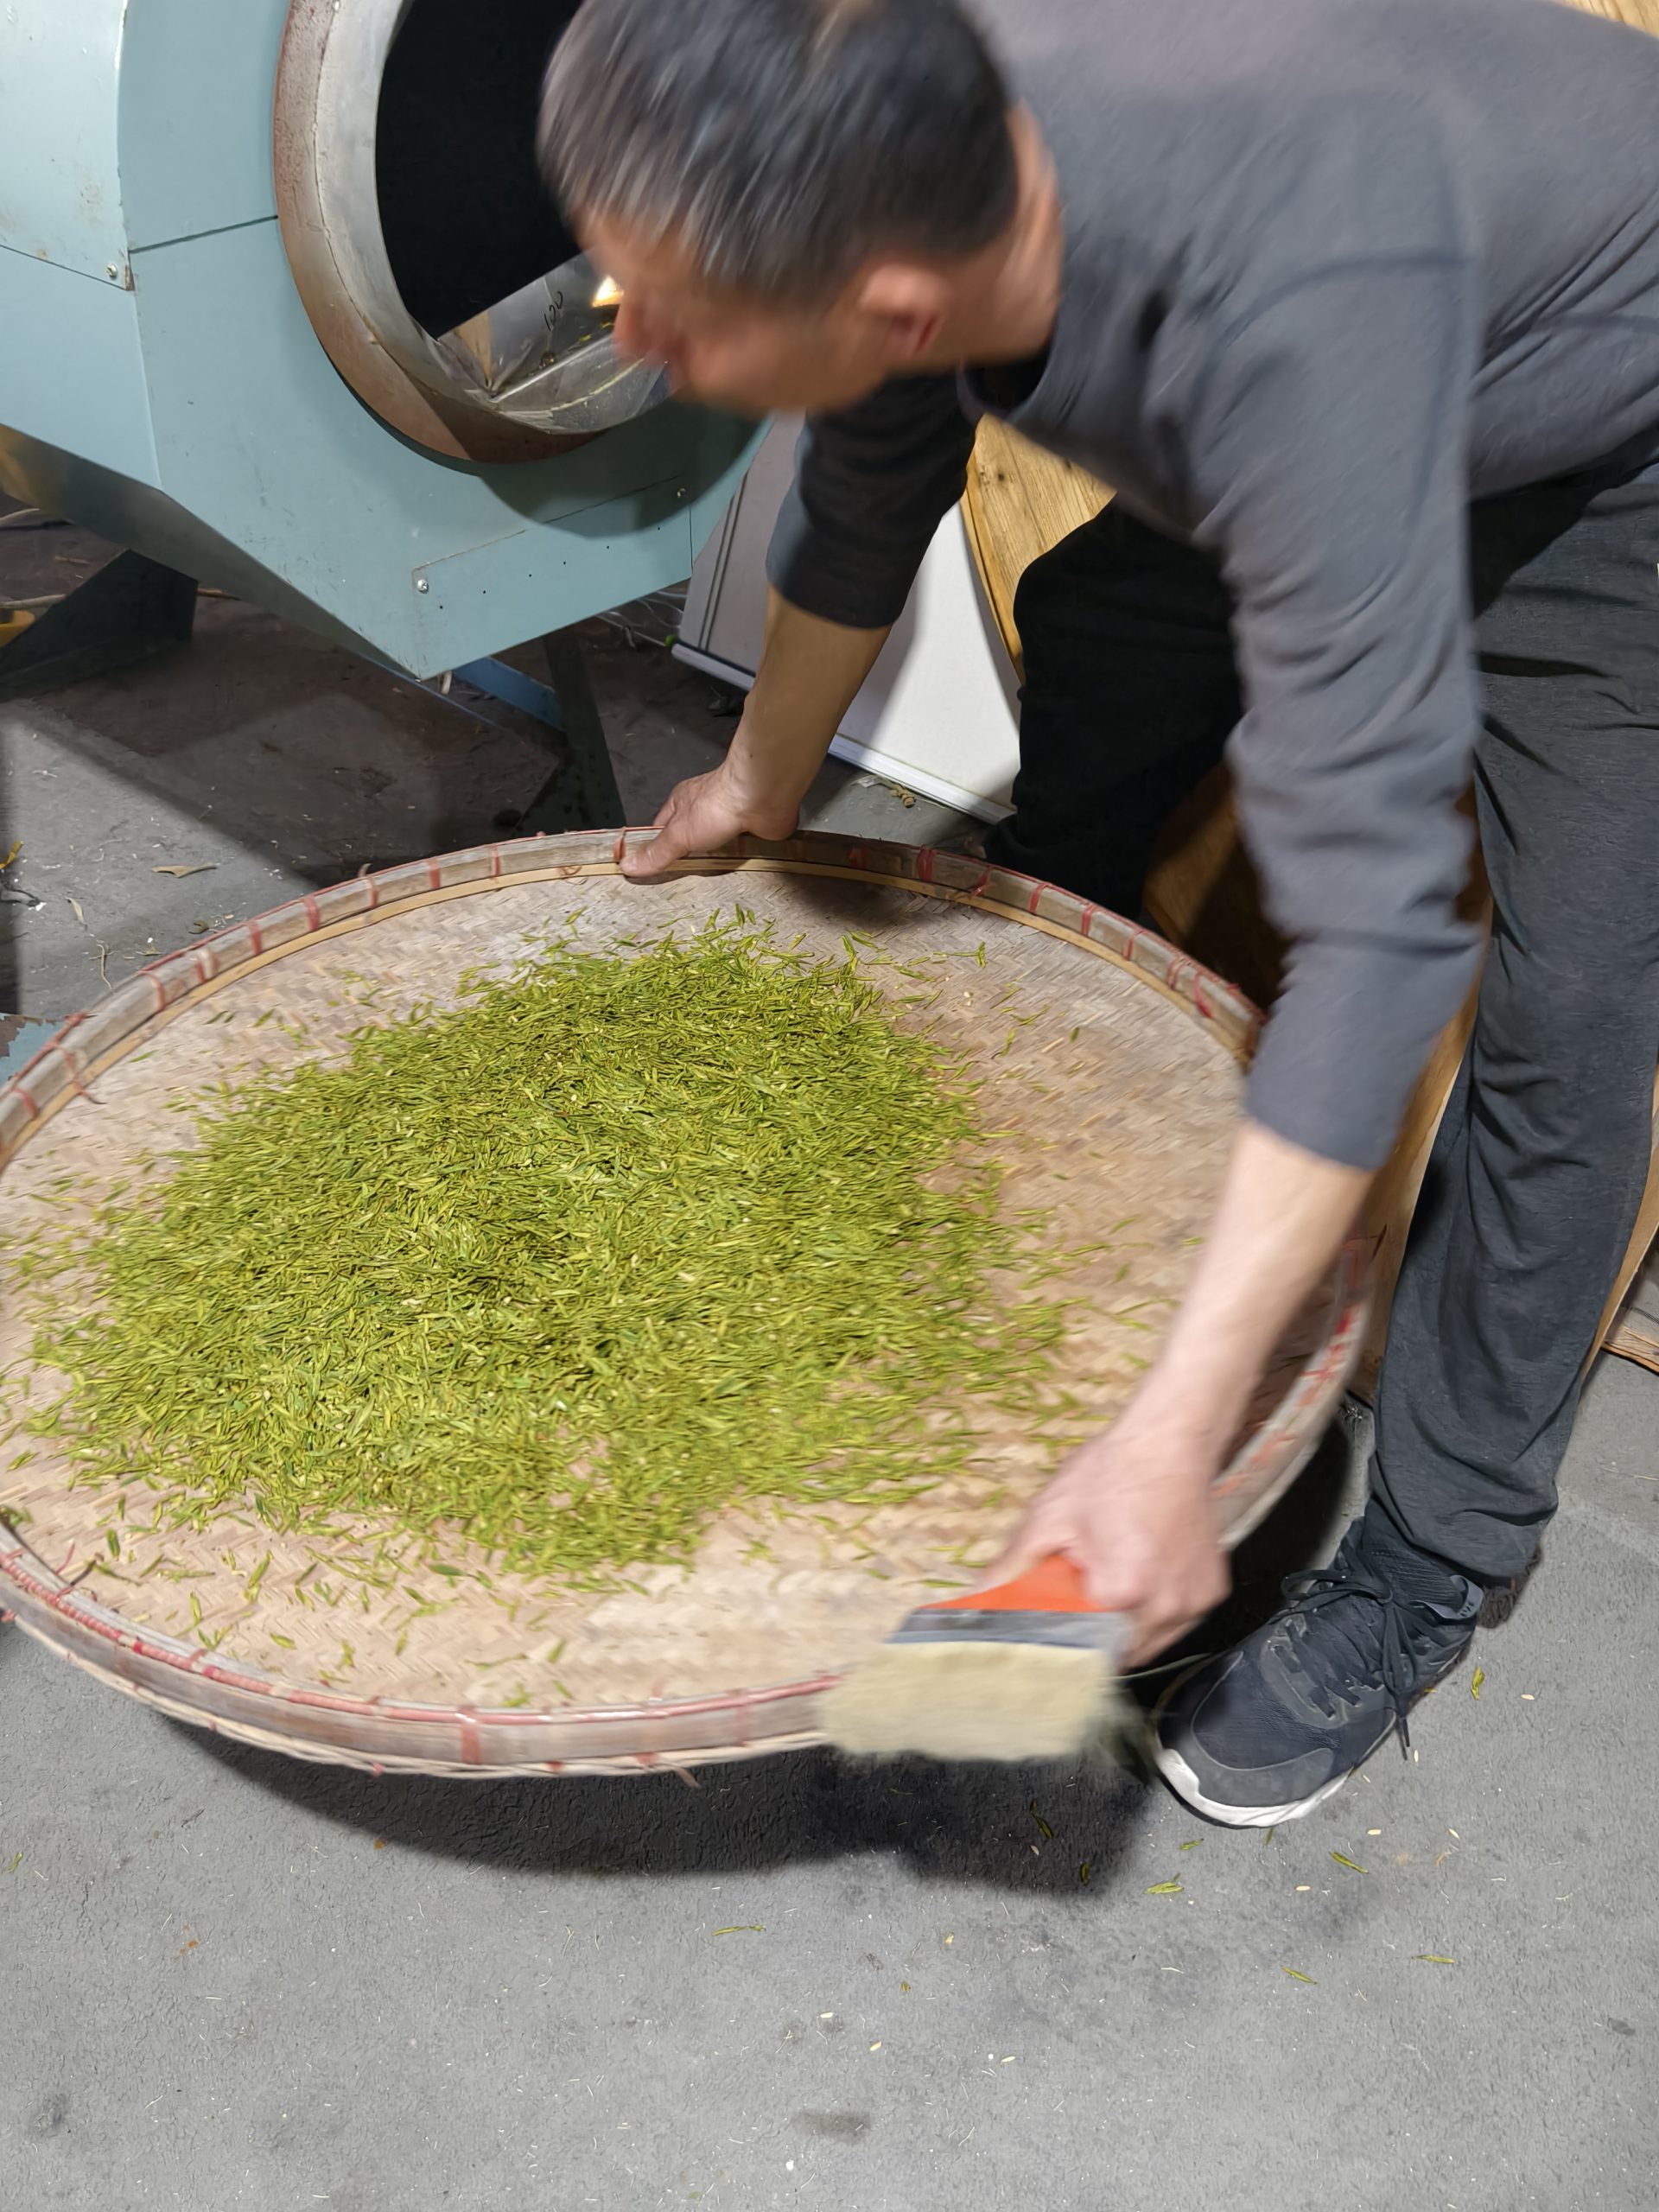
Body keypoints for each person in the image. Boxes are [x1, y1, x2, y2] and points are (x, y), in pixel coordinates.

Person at [538, 0, 1659, 1823]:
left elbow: (1378, 937)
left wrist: (1168, 1442)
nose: (632, 343)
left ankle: (1439, 1554)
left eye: (671, 312)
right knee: (1112, 636)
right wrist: (759, 779)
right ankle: (1040, 1172)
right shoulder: (912, 119)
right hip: (1382, 314)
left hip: (1610, 443)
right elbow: (872, 471)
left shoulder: (1289, 329)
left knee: (1578, 1007)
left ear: (900, 303)